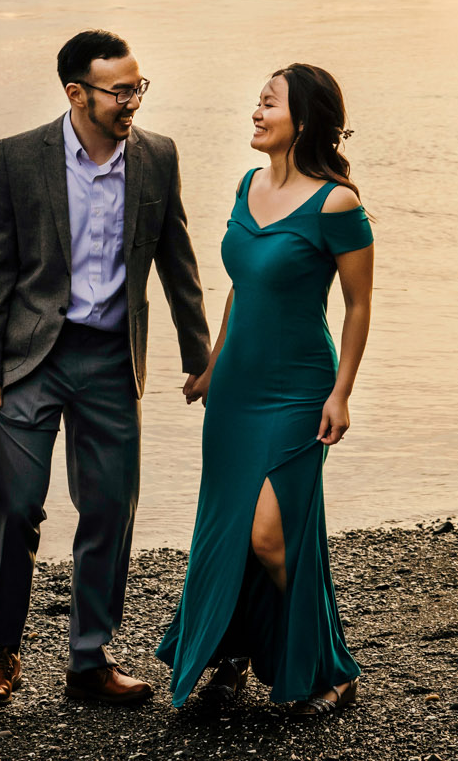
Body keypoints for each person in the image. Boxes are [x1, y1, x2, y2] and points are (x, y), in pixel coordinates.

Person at [0, 30, 211, 707]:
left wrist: (199, 355)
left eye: (138, 87)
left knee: (109, 506)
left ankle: (89, 659)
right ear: (78, 94)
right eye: (119, 90)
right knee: (15, 506)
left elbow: (176, 260)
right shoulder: (20, 157)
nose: (132, 101)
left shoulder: (156, 157)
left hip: (109, 358)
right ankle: (2, 653)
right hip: (30, 358)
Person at [156, 63, 374, 716]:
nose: (256, 112)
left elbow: (359, 306)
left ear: (302, 121)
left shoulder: (337, 202)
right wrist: (213, 366)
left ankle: (330, 667)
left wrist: (342, 394)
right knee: (227, 530)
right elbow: (240, 289)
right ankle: (232, 657)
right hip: (237, 394)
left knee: (273, 536)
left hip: (300, 390)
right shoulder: (247, 185)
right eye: (256, 101)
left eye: (269, 104)